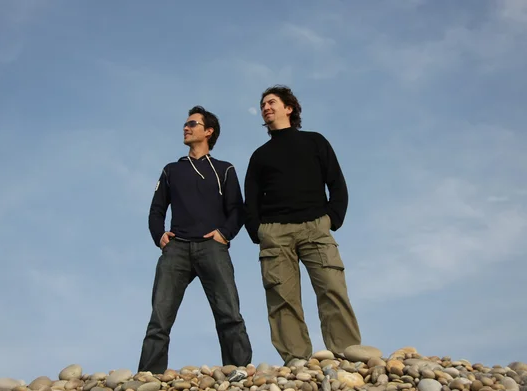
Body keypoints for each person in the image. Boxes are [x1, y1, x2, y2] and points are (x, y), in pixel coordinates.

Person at [244, 85, 361, 364]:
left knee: (332, 288)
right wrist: (258, 231)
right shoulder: (260, 155)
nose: (266, 107)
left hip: (315, 227)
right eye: (262, 105)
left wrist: (332, 218)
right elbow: (250, 199)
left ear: (289, 108)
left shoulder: (315, 141)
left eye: (271, 102)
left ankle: (347, 354)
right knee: (282, 299)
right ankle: (296, 360)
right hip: (274, 233)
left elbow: (337, 183)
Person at [138, 105, 252, 374]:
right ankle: (148, 377)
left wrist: (224, 234)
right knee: (160, 318)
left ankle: (240, 372)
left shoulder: (224, 169)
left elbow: (237, 208)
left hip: (212, 248)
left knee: (229, 313)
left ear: (208, 131)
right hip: (176, 250)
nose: (186, 127)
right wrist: (159, 235)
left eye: (192, 123)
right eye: (185, 124)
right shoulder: (171, 170)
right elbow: (156, 210)